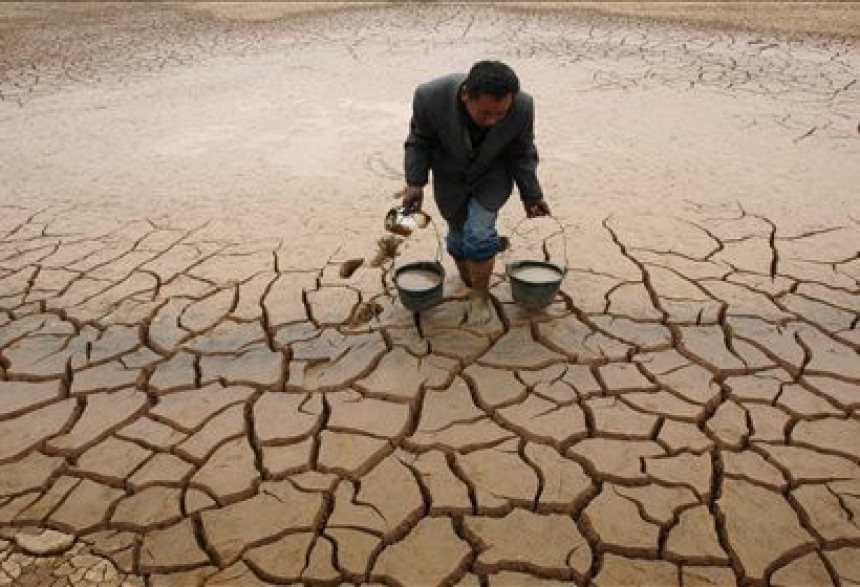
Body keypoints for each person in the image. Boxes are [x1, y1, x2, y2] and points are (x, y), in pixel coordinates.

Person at [402, 60, 550, 323]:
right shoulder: (429, 97)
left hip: (492, 175)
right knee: (459, 238)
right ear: (465, 95)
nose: (493, 121)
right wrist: (415, 183)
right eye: (485, 113)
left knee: (479, 233)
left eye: (501, 114)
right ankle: (471, 282)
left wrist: (532, 195)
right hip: (451, 176)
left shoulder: (522, 107)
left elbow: (522, 152)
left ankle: (480, 295)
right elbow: (419, 141)